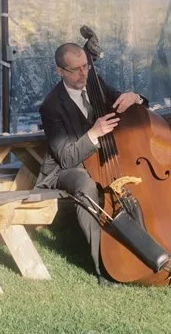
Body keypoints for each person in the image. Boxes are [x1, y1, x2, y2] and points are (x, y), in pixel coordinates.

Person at [34, 42, 146, 285]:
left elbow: (128, 105)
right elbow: (66, 157)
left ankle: (145, 238)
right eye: (75, 70)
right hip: (66, 169)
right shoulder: (51, 107)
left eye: (85, 66)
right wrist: (94, 133)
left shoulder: (96, 83)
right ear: (59, 71)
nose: (83, 73)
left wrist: (134, 97)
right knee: (85, 186)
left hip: (102, 161)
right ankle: (102, 266)